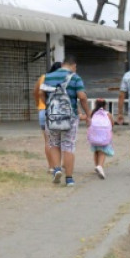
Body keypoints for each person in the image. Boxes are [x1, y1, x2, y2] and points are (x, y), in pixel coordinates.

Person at [43, 55, 91, 187]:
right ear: (73, 65)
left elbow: (42, 95)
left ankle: (57, 169)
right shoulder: (75, 77)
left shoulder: (48, 76)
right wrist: (88, 114)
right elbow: (82, 96)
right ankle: (69, 178)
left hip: (51, 116)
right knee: (68, 146)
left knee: (54, 144)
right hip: (70, 117)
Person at [35, 61, 62, 176]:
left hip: (43, 110)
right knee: (59, 141)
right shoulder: (62, 79)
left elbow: (36, 92)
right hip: (58, 112)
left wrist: (40, 105)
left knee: (48, 141)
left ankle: (51, 167)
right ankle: (58, 166)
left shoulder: (43, 78)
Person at [86, 98, 115, 179]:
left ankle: (96, 166)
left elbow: (88, 122)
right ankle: (100, 166)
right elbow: (112, 124)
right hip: (104, 137)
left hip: (94, 136)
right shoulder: (107, 114)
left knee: (96, 151)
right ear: (105, 105)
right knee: (102, 151)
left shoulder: (92, 113)